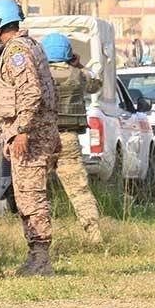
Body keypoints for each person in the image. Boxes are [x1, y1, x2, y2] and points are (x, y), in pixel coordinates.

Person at [0, 0, 59, 277]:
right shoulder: (29, 47)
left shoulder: (17, 51)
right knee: (27, 196)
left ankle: (40, 260)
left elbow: (31, 93)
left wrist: (21, 131)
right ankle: (36, 258)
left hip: (29, 136)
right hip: (32, 132)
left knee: (31, 198)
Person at [42, 33, 103, 244]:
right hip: (68, 138)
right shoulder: (78, 75)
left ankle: (40, 237)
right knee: (79, 190)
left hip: (42, 139)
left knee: (38, 189)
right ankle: (93, 233)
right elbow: (97, 83)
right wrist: (80, 64)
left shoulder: (38, 74)